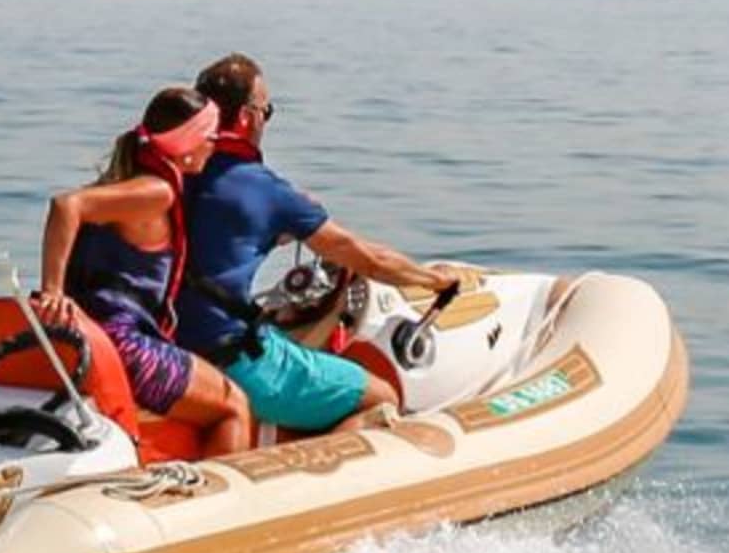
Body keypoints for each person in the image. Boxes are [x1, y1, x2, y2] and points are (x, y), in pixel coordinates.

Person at [169, 53, 464, 435]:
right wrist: (434, 280)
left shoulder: (172, 171)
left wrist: (277, 230)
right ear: (247, 117)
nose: (265, 119)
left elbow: (210, 232)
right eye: (266, 110)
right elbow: (370, 260)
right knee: (380, 396)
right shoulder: (262, 188)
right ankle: (311, 476)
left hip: (168, 346)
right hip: (227, 357)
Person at [33, 87, 254, 458]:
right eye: (210, 137)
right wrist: (53, 291)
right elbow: (66, 205)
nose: (214, 146)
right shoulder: (157, 192)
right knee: (234, 405)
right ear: (187, 143)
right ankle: (221, 507)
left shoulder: (127, 183)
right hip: (124, 345)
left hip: (94, 336)